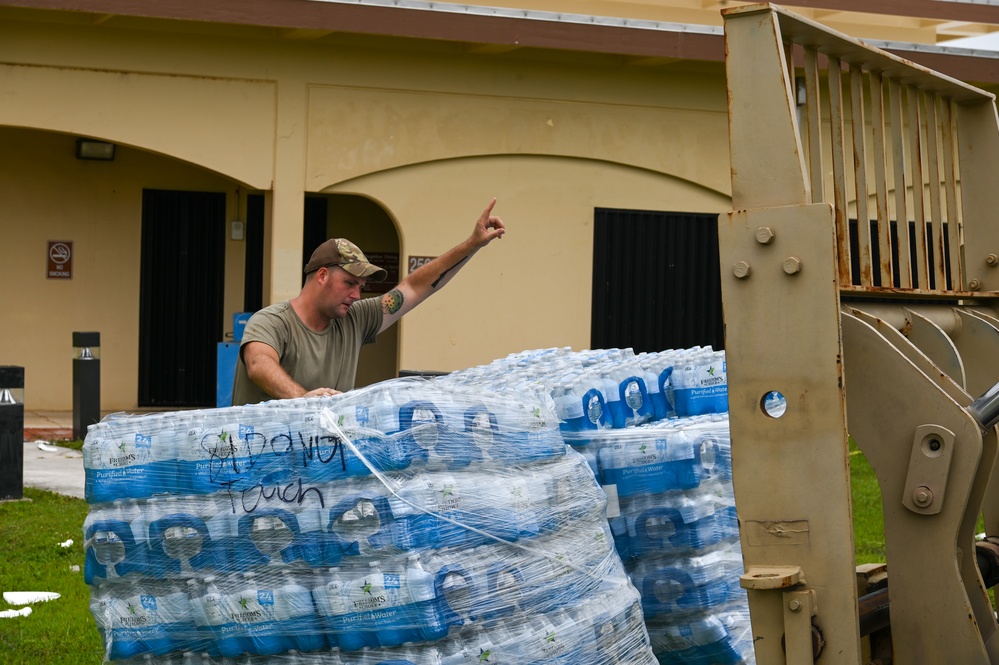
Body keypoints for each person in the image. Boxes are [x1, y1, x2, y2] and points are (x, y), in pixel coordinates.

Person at [231, 198, 506, 405]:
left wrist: (471, 245)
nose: (356, 295)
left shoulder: (355, 319)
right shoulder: (272, 321)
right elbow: (259, 364)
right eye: (349, 283)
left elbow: (414, 287)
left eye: (361, 287)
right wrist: (303, 399)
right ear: (323, 276)